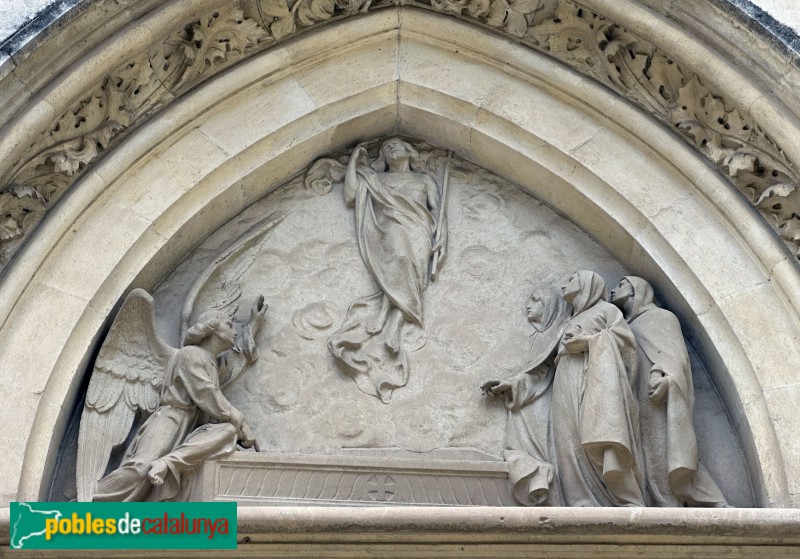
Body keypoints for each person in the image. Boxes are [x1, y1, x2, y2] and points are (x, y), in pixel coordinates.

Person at [93, 300, 265, 501]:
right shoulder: (189, 355)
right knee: (140, 469)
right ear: (212, 328)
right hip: (169, 420)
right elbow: (206, 393)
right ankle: (86, 505)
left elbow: (235, 362)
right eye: (228, 324)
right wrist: (241, 422)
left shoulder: (213, 363)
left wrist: (253, 325)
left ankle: (167, 464)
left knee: (227, 432)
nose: (234, 330)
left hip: (187, 427)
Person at [328, 138, 445, 402]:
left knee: (416, 279)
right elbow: (349, 196)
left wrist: (442, 239)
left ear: (409, 151)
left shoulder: (425, 180)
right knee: (398, 263)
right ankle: (385, 314)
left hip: (420, 230)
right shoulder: (374, 178)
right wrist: (354, 165)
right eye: (385, 147)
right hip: (388, 229)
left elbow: (437, 213)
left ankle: (393, 319)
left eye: (396, 145)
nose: (390, 149)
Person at [610, 276, 728, 507]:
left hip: (656, 395)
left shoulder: (661, 318)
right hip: (635, 395)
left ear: (637, 290)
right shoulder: (627, 326)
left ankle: (704, 500)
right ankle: (661, 501)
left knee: (665, 448)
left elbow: (675, 356)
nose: (613, 290)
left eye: (621, 284)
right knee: (646, 451)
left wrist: (667, 379)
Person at [551, 270, 645, 506]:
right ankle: (578, 500)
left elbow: (626, 345)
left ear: (587, 284)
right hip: (564, 380)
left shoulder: (606, 310)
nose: (565, 283)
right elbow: (543, 365)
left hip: (595, 380)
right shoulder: (568, 322)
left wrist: (588, 342)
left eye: (572, 279)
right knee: (567, 440)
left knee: (595, 434)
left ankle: (623, 499)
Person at [481, 286, 570, 505]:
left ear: (549, 308)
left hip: (545, 406)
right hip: (526, 401)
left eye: (535, 300)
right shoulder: (533, 338)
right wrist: (510, 385)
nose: (529, 305)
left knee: (540, 451)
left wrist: (513, 385)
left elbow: (543, 372)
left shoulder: (559, 335)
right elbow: (534, 373)